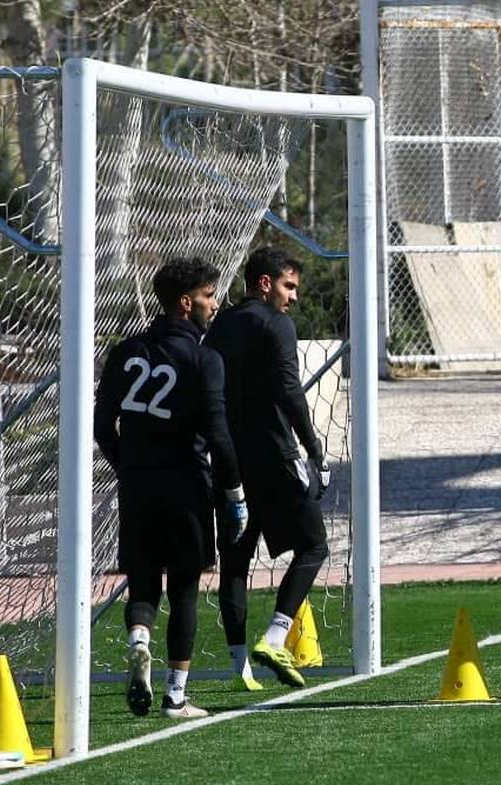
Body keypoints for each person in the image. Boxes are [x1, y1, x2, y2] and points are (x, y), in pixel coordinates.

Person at [95, 257, 248, 720]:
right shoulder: (204, 358)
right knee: (184, 587)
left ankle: (139, 641)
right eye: (207, 295)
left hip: (139, 485)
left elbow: (103, 425)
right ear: (186, 303)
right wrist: (234, 493)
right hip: (187, 485)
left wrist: (128, 465)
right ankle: (175, 696)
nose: (214, 303)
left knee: (143, 582)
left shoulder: (125, 351)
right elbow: (219, 435)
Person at [204, 246, 331, 690]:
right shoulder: (276, 323)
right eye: (288, 286)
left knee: (235, 562)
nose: (293, 297)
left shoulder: (219, 324)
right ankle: (276, 637)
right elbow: (289, 391)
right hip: (274, 457)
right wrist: (313, 450)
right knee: (314, 546)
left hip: (229, 461)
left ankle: (238, 667)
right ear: (265, 283)